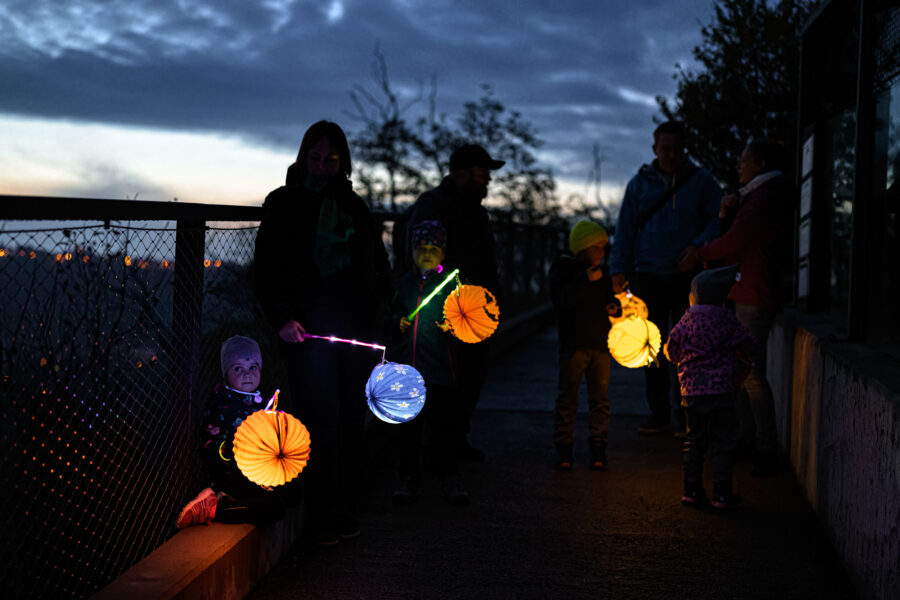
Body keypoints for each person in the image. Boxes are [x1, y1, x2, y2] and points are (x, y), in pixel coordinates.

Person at [253, 121, 392, 546]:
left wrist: (382, 313)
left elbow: (376, 264)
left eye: (330, 159)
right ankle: (320, 513)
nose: (321, 166)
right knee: (317, 420)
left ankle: (344, 508)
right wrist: (281, 317)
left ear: (342, 161)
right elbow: (267, 266)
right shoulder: (283, 203)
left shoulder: (353, 205)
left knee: (352, 417)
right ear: (302, 157)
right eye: (314, 158)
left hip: (355, 332)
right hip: (308, 331)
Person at [684, 139, 791, 476]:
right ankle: (749, 440)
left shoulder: (763, 197)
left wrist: (700, 253)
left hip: (753, 294)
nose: (738, 165)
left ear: (760, 163)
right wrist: (726, 213)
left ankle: (763, 446)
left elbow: (736, 241)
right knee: (742, 372)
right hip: (749, 290)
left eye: (743, 159)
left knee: (751, 374)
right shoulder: (759, 196)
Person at [609, 121, 722, 435]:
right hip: (648, 275)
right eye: (665, 148)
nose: (671, 154)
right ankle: (658, 412)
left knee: (688, 348)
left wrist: (698, 248)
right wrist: (617, 269)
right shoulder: (639, 185)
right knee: (651, 348)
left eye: (675, 148)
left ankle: (687, 413)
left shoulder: (701, 183)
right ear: (655, 149)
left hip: (687, 278)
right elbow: (625, 230)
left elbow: (717, 221)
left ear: (683, 148)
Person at [400, 144, 505, 461]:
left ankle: (455, 443)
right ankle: (438, 449)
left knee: (471, 377)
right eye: (482, 172)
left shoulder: (476, 211)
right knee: (446, 381)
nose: (487, 180)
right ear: (463, 173)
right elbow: (419, 258)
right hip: (444, 314)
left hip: (476, 313)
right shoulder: (432, 205)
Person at [176, 335, 299, 528]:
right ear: (226, 374)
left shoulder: (258, 402)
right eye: (238, 368)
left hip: (258, 472)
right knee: (273, 507)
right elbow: (217, 450)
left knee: (294, 492)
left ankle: (242, 501)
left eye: (253, 367)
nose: (247, 374)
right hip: (231, 475)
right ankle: (214, 507)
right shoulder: (224, 405)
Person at [388, 220, 469, 505]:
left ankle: (449, 476)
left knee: (443, 428)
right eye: (421, 248)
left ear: (443, 253)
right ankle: (409, 477)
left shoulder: (451, 286)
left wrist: (452, 328)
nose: (427, 253)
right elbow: (387, 314)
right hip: (408, 373)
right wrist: (394, 322)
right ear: (412, 250)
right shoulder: (400, 286)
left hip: (439, 371)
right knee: (409, 429)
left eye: (434, 248)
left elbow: (465, 323)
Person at [664, 265, 756, 509]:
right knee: (723, 442)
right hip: (722, 391)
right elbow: (750, 343)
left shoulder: (686, 320)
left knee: (694, 440)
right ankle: (722, 493)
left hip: (692, 392)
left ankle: (691, 489)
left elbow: (671, 351)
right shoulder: (727, 320)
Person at [549, 220, 619, 471]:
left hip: (600, 345)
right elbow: (563, 301)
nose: (601, 253)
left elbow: (607, 300)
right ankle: (563, 449)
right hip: (574, 346)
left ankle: (598, 449)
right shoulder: (563, 270)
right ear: (581, 247)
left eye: (603, 248)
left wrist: (614, 306)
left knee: (600, 399)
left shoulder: (602, 273)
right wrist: (585, 280)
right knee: (568, 398)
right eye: (596, 248)